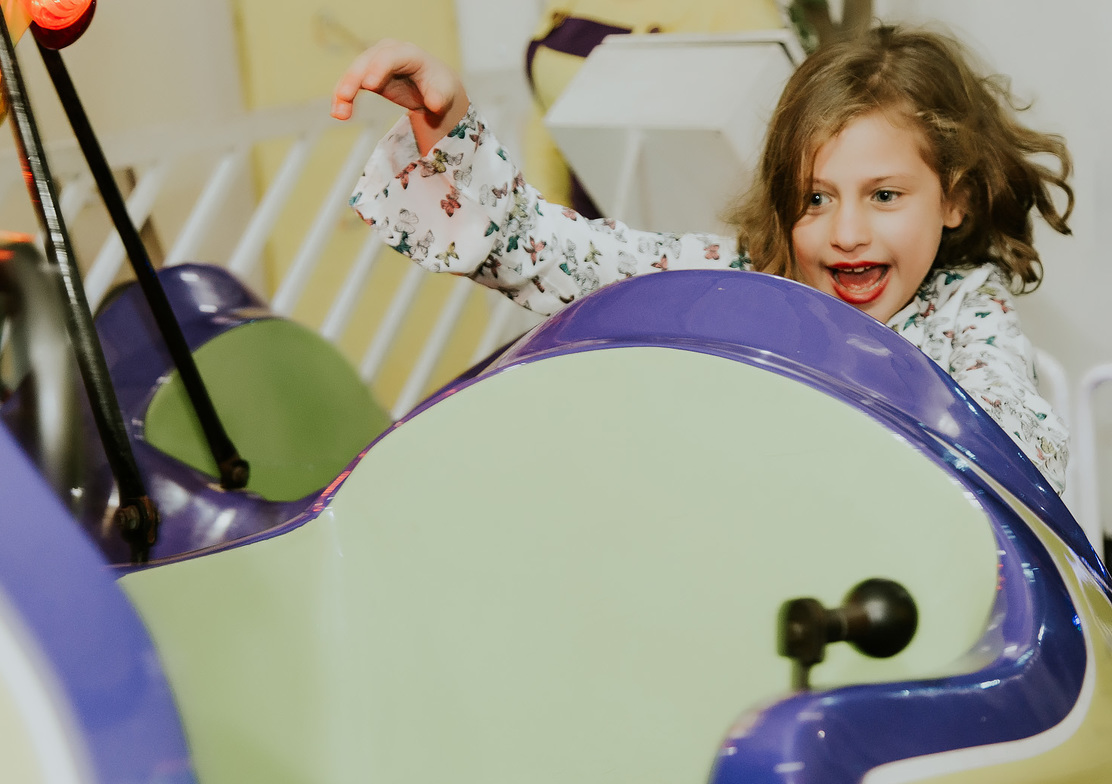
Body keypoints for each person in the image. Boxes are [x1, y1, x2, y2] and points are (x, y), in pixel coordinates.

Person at [330, 27, 1074, 493]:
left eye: (884, 195)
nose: (846, 232)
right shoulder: (748, 278)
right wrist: (450, 129)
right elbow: (557, 253)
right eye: (815, 199)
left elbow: (1019, 446)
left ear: (955, 199)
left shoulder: (964, 310)